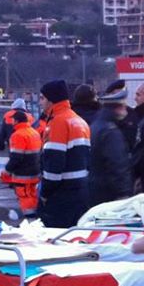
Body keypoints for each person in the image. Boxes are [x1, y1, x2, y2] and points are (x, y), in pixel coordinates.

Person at [38, 79, 91, 227]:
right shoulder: (78, 120)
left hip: (62, 194)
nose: (40, 102)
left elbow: (54, 165)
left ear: (51, 100)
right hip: (81, 191)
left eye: (42, 98)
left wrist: (45, 193)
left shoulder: (58, 122)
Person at [88, 85, 133, 206]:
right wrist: (124, 193)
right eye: (124, 107)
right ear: (117, 108)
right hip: (109, 192)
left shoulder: (97, 125)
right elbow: (118, 164)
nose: (126, 110)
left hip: (95, 188)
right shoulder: (111, 132)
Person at [0, 110, 42, 219]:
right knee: (33, 197)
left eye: (13, 120)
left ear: (16, 121)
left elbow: (16, 157)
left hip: (22, 175)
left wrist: (7, 171)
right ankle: (36, 220)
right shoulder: (34, 133)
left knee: (25, 199)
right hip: (35, 173)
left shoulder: (17, 135)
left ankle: (30, 222)